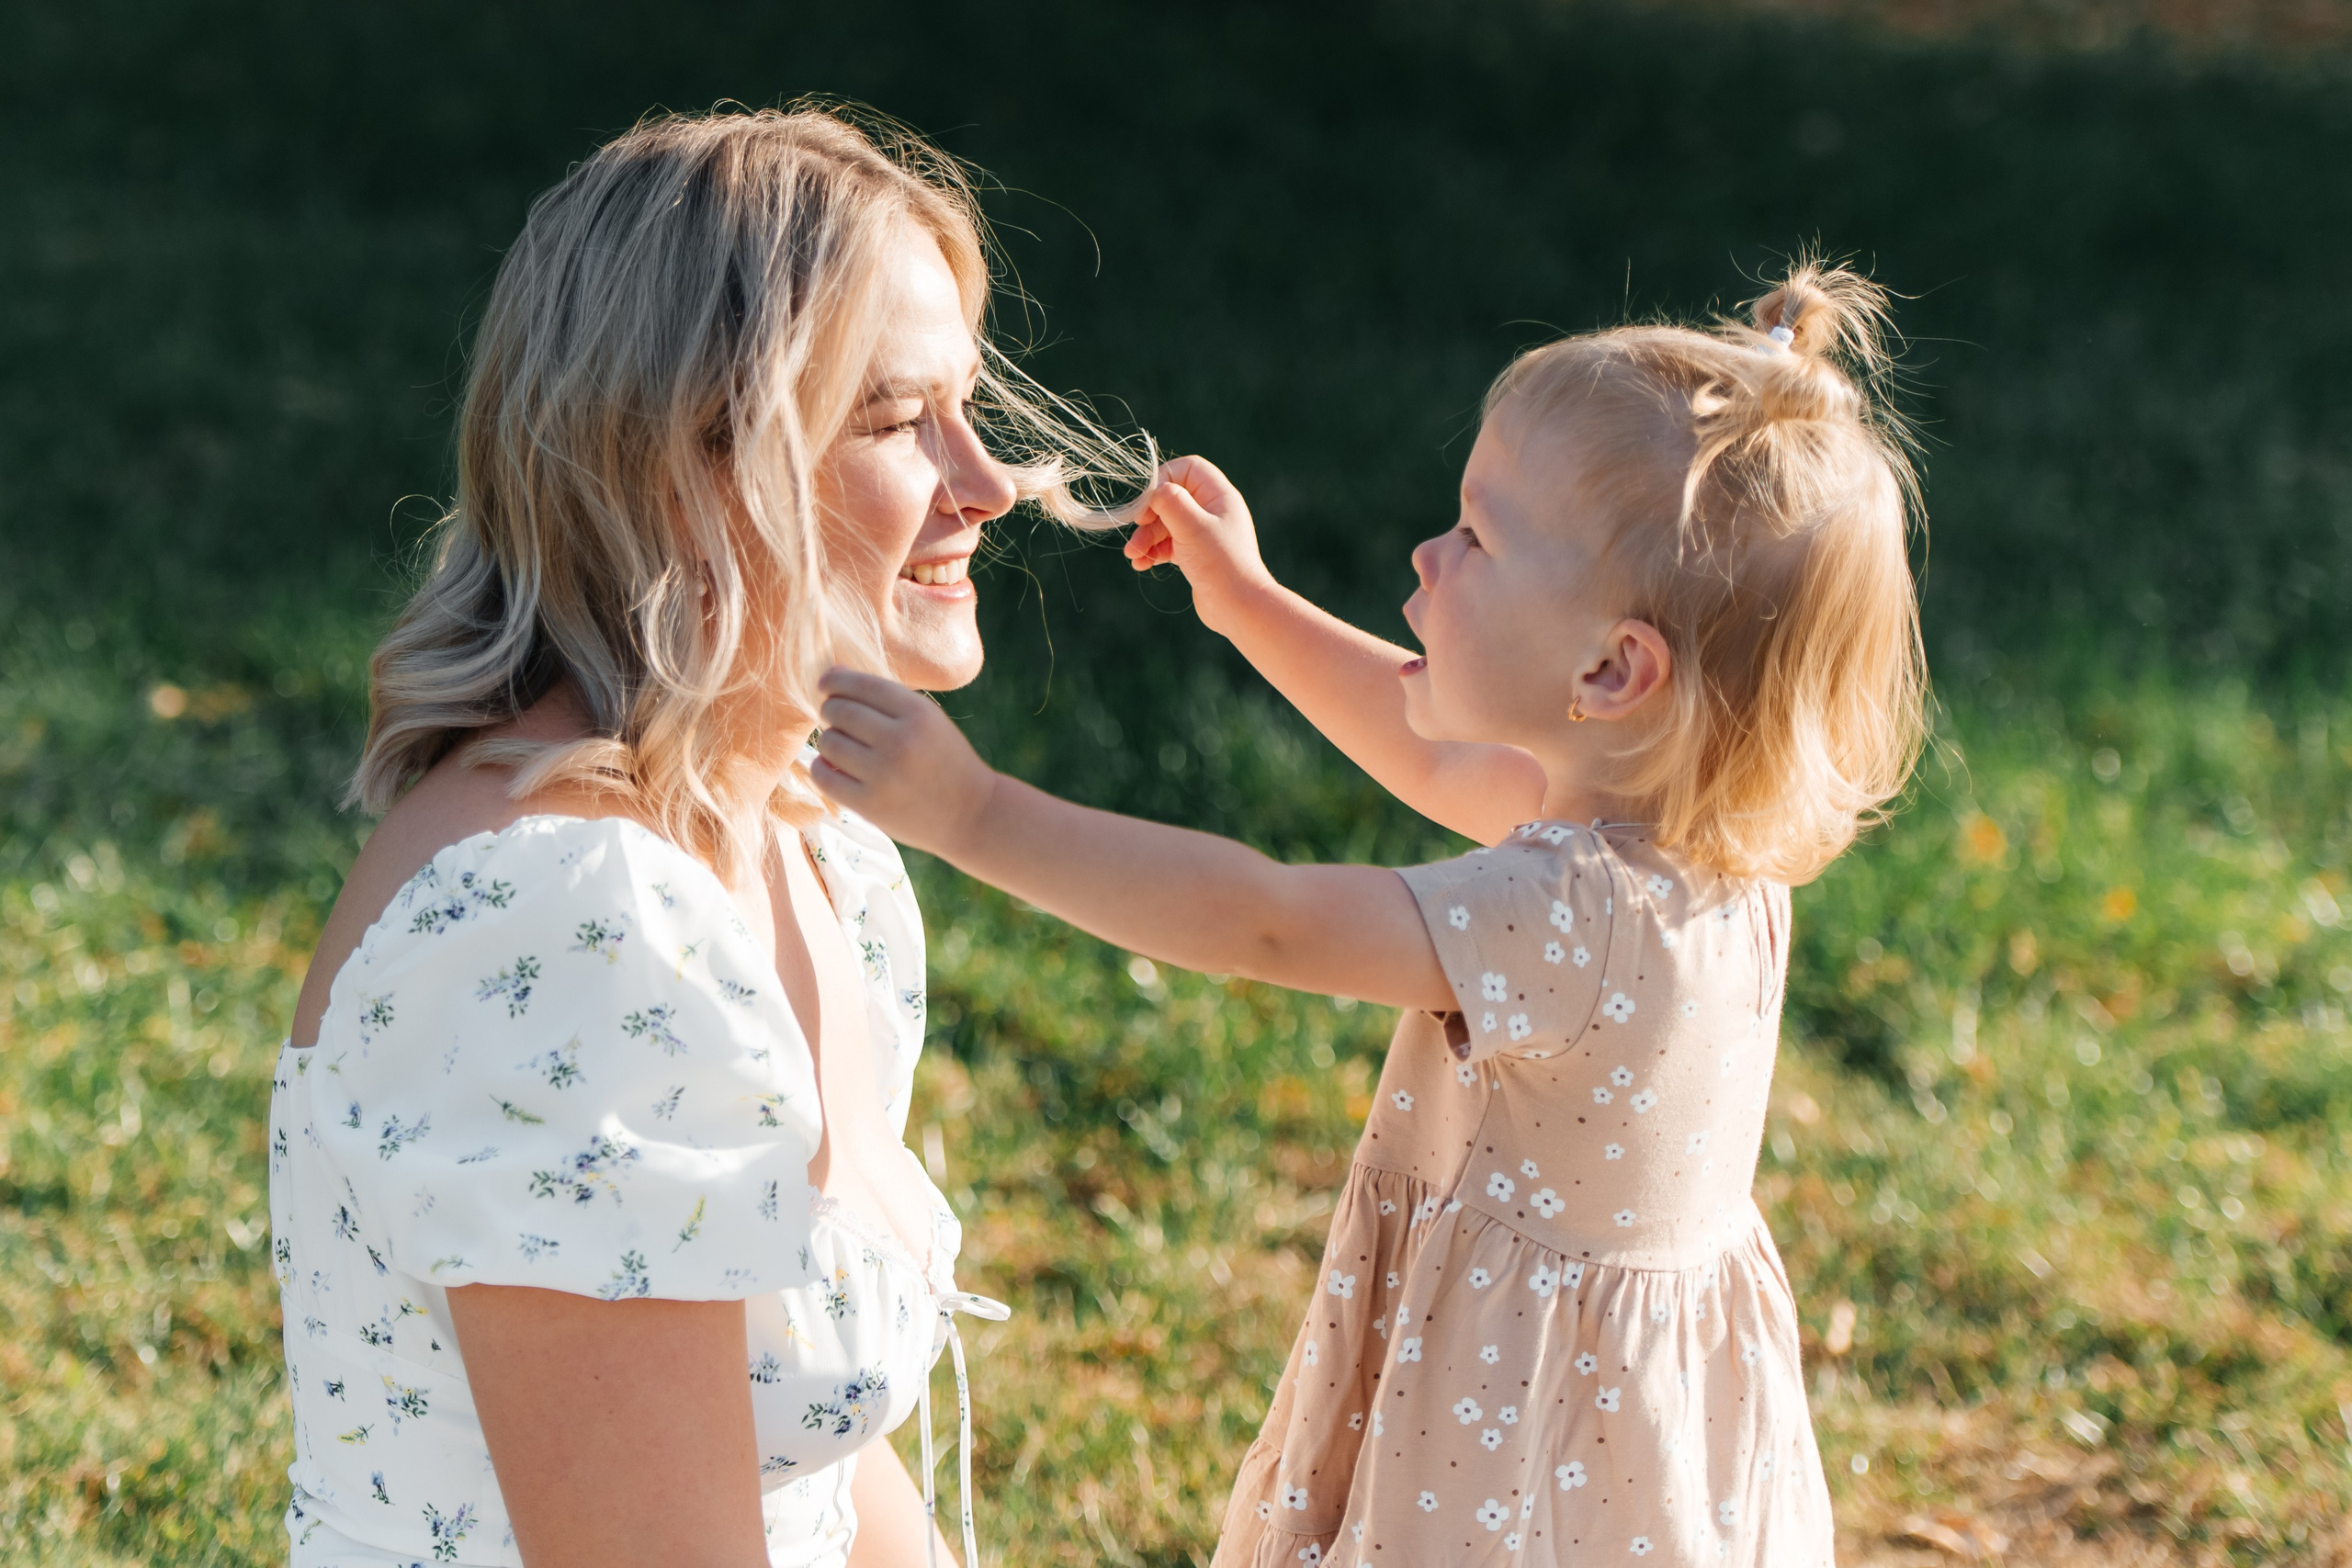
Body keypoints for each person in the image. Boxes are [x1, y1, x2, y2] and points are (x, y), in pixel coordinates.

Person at [808, 261, 1925, 1566]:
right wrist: (1250, 603)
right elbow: (1434, 748)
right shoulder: (1686, 840)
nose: (1426, 554)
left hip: (1525, 1445)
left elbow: (1264, 921)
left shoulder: (1568, 914)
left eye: (1478, 539)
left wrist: (973, 811)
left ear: (1613, 670)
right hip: (1628, 1425)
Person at [267, 106, 1142, 1568]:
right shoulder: (564, 925)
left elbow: (818, 1478)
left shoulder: (808, 840)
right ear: (686, 465)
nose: (985, 486)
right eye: (893, 419)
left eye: (969, 409)